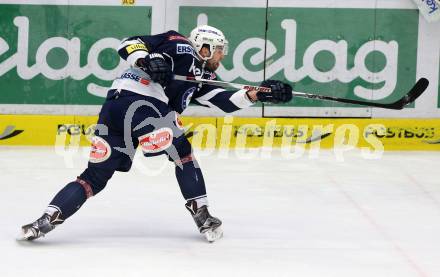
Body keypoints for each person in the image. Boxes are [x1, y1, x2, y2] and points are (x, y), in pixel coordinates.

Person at [20, 25, 293, 242]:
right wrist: (148, 59)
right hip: (141, 105)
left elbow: (224, 101)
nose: (222, 56)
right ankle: (200, 211)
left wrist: (256, 93)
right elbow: (129, 43)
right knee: (183, 153)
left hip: (113, 111)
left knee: (93, 179)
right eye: (220, 50)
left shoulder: (197, 79)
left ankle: (44, 221)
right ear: (205, 48)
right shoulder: (180, 44)